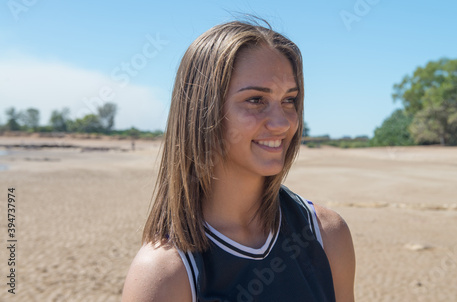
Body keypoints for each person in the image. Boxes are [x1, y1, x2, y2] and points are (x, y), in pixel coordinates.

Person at [122, 19, 355, 302]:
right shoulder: (165, 273)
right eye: (256, 100)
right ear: (202, 111)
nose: (282, 123)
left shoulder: (326, 234)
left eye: (289, 100)